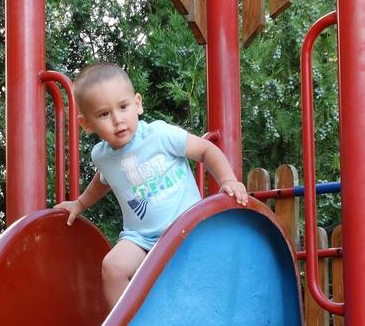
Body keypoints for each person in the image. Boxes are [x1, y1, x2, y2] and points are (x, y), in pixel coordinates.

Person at [55, 63, 249, 308]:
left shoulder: (159, 135)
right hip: (141, 239)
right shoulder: (102, 156)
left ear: (137, 103)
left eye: (123, 107)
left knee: (208, 268)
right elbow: (104, 179)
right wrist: (80, 203)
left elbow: (205, 150)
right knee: (113, 266)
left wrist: (227, 180)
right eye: (104, 114)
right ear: (87, 124)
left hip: (186, 229)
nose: (117, 120)